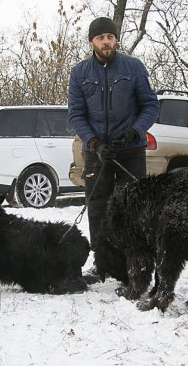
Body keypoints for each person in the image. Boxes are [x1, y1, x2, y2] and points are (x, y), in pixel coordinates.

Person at [68, 16, 160, 282]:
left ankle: (136, 263)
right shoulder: (80, 73)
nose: (106, 41)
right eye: (100, 38)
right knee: (98, 208)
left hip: (130, 151)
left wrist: (135, 130)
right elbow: (76, 114)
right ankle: (102, 263)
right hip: (97, 154)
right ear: (91, 42)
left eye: (110, 36)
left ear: (115, 39)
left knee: (132, 208)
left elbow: (150, 106)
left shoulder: (133, 67)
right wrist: (94, 143)